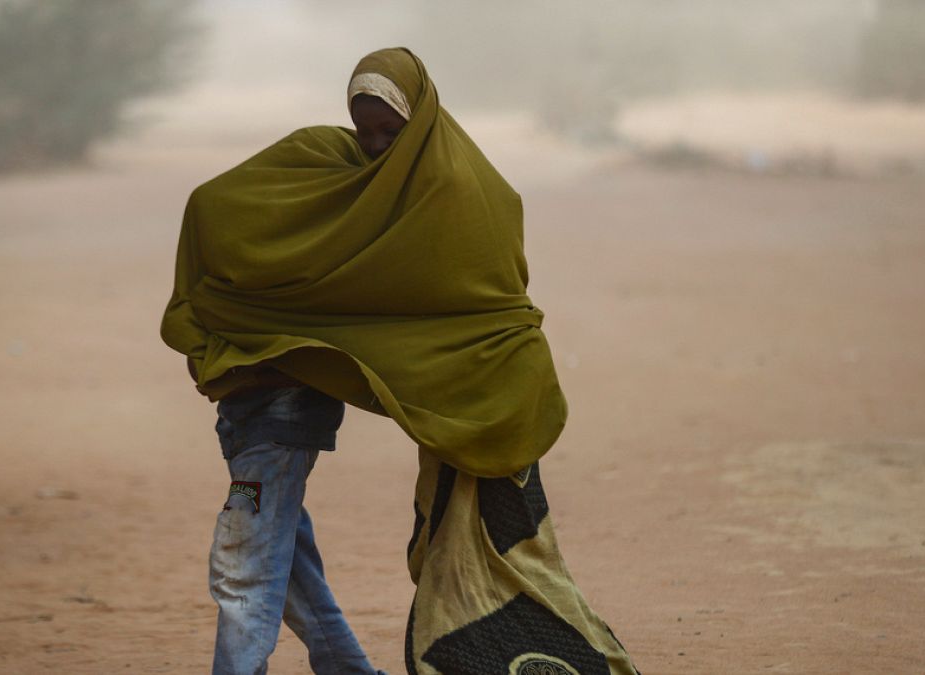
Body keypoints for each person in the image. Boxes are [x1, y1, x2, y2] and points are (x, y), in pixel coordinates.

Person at [163, 47, 638, 675]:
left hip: (283, 405)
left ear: (422, 116)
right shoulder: (323, 162)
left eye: (392, 131)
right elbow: (213, 206)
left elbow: (478, 312)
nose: (376, 148)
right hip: (252, 398)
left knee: (248, 557)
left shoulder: (453, 192)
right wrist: (255, 313)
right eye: (366, 132)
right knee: (281, 547)